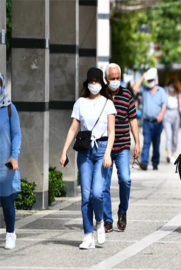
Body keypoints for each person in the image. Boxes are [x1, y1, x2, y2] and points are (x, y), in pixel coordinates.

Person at [60, 67, 116, 249]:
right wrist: (64, 151)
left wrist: (108, 153)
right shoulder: (80, 103)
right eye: (91, 81)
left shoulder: (108, 104)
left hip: (101, 150)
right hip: (84, 152)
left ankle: (100, 221)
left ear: (102, 83)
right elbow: (73, 129)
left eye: (97, 81)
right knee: (85, 195)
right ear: (87, 83)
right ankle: (87, 235)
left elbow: (111, 131)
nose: (94, 85)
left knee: (97, 194)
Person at [103, 63, 140, 233]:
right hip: (105, 147)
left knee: (125, 179)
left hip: (123, 145)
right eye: (113, 78)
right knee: (104, 185)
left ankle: (123, 211)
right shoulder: (101, 96)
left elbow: (132, 119)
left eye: (118, 78)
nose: (116, 81)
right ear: (106, 79)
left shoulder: (126, 94)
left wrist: (137, 142)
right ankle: (107, 219)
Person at [0, 72, 21, 250]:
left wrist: (14, 156)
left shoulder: (8, 108)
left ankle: (10, 233)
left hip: (4, 163)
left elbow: (16, 134)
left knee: (6, 201)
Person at [133, 68, 167, 170]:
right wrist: (143, 77)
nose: (150, 82)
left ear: (155, 80)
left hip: (157, 122)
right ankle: (144, 162)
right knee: (146, 142)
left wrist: (161, 114)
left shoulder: (161, 91)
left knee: (156, 143)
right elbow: (135, 88)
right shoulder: (144, 90)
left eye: (151, 80)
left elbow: (164, 104)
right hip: (147, 121)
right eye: (148, 80)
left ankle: (155, 162)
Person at [163, 78, 181, 164]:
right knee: (168, 135)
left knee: (175, 136)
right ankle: (169, 154)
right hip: (167, 113)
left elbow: (180, 104)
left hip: (175, 113)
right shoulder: (165, 90)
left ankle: (173, 153)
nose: (171, 88)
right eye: (171, 86)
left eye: (173, 86)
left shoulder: (178, 92)